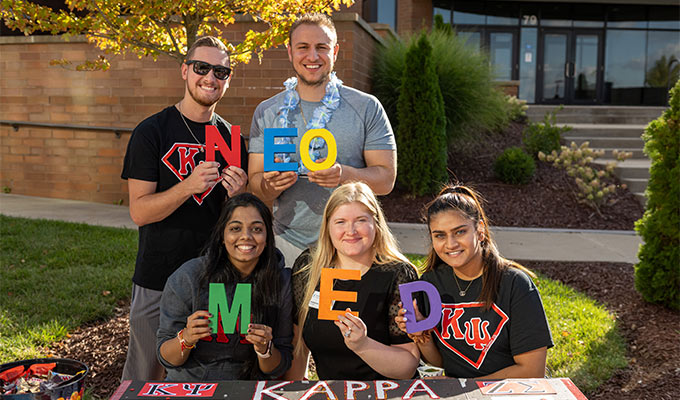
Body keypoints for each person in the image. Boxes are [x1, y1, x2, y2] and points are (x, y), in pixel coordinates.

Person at [120, 36, 249, 380]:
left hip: (214, 278)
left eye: (220, 71)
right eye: (201, 68)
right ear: (184, 71)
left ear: (228, 79)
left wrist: (240, 197)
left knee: (204, 373)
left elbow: (236, 220)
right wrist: (188, 187)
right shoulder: (152, 132)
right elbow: (140, 212)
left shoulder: (232, 140)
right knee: (145, 372)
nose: (210, 77)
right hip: (158, 275)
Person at [248, 13, 397, 267]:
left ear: (335, 51)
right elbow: (255, 183)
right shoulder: (268, 111)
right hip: (287, 245)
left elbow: (386, 180)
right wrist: (271, 186)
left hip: (352, 247)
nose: (313, 56)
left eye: (322, 47)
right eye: (303, 47)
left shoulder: (366, 107)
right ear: (290, 52)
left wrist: (344, 175)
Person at [396, 185, 553, 379]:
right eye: (440, 235)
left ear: (480, 230)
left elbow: (531, 371)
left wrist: (467, 391)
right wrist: (423, 338)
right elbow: (442, 362)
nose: (450, 243)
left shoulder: (515, 284)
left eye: (460, 232)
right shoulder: (431, 284)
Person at [285, 182, 419, 380]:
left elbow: (408, 365)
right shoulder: (308, 266)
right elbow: (298, 344)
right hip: (331, 392)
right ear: (328, 227)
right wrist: (293, 391)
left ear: (376, 223)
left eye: (360, 220)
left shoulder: (399, 275)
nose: (351, 230)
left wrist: (363, 345)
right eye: (340, 222)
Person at [156, 193, 293, 380]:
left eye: (257, 229)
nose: (246, 236)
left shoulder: (281, 282)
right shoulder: (189, 276)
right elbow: (166, 358)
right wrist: (186, 338)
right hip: (192, 384)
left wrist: (265, 349)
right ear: (222, 235)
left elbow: (277, 367)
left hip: (248, 386)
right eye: (236, 228)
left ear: (268, 237)